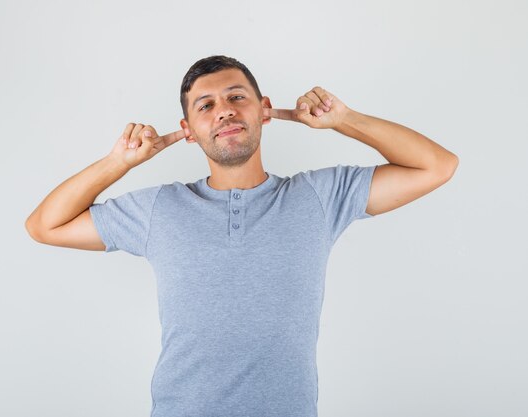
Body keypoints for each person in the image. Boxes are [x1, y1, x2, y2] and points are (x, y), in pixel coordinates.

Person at [25, 55, 458, 417]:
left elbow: (437, 166)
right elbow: (45, 225)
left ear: (264, 109)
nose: (225, 110)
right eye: (206, 105)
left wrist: (344, 120)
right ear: (189, 130)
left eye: (236, 97)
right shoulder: (159, 209)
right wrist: (118, 163)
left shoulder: (320, 197)